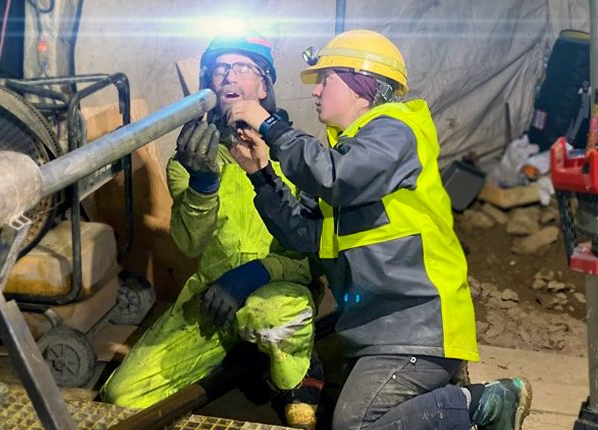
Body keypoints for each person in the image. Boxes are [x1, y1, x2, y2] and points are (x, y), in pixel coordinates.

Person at [227, 29, 532, 429]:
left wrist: (271, 127)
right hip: (378, 333)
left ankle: (485, 403)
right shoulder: (346, 153)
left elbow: (340, 177)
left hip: (418, 327)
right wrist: (261, 174)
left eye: (325, 79)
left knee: (356, 423)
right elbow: (302, 235)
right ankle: (450, 403)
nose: (315, 92)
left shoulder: (395, 129)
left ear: (361, 84)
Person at [101, 31, 324, 429]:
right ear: (208, 83)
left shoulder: (295, 153)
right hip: (213, 293)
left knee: (274, 314)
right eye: (220, 69)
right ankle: (246, 350)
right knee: (122, 395)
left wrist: (255, 273)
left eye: (243, 67)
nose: (228, 76)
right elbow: (190, 243)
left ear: (264, 83)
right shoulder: (190, 157)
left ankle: (297, 379)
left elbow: (312, 255)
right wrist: (204, 184)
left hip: (280, 287)